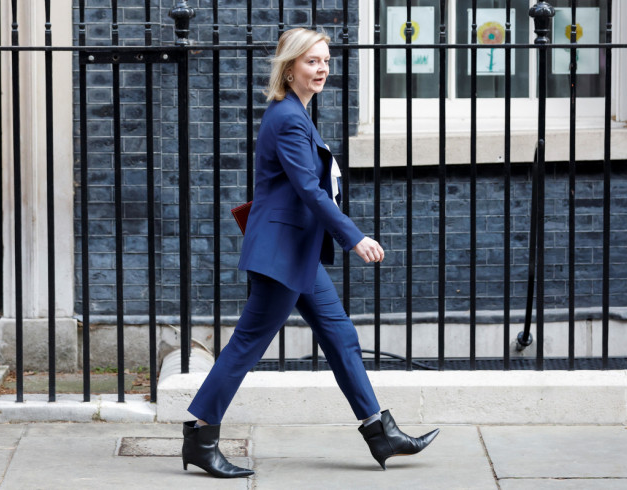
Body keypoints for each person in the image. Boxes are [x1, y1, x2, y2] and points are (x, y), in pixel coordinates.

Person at [181, 27, 439, 479]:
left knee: (341, 337)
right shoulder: (287, 118)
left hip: (296, 252)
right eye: (310, 61)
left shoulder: (296, 114)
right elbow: (311, 191)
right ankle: (201, 437)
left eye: (324, 61)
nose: (321, 69)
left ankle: (380, 431)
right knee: (246, 346)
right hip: (282, 256)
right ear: (290, 67)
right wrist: (353, 237)